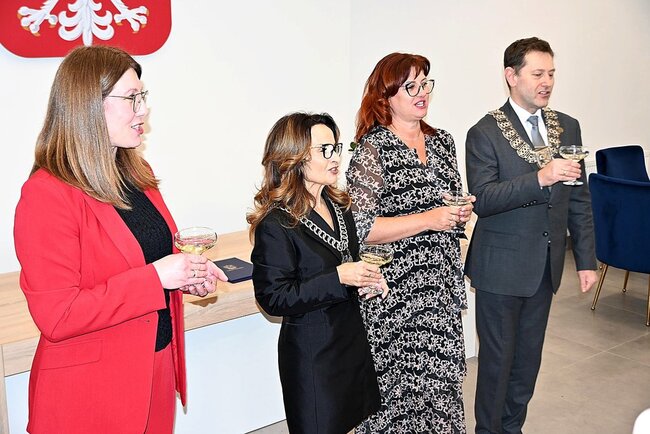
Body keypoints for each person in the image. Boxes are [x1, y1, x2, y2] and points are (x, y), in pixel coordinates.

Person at [13, 45, 227, 434]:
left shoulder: (136, 171)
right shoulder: (46, 194)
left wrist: (186, 275)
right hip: (91, 392)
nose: (143, 110)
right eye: (132, 99)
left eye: (143, 97)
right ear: (88, 106)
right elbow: (58, 315)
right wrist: (156, 278)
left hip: (154, 366)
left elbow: (147, 259)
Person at [464, 37, 598, 434]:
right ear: (512, 75)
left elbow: (579, 198)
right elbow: (484, 199)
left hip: (545, 266)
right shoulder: (484, 132)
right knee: (497, 363)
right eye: (538, 73)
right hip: (500, 269)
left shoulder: (567, 126)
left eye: (551, 73)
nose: (547, 82)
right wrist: (541, 177)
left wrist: (586, 260)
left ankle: (512, 428)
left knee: (526, 364)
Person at [346, 52, 473, 433]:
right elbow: (361, 227)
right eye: (411, 87)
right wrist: (429, 219)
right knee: (397, 398)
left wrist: (459, 212)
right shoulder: (371, 150)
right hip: (394, 294)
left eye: (425, 84)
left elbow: (449, 199)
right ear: (385, 97)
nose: (422, 93)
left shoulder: (443, 141)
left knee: (441, 391)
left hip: (440, 288)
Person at [248, 112, 387, 433]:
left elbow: (348, 264)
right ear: (295, 157)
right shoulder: (276, 223)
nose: (336, 157)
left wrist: (366, 280)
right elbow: (273, 298)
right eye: (325, 150)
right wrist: (339, 277)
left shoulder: (340, 207)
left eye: (336, 148)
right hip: (313, 357)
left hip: (350, 344)